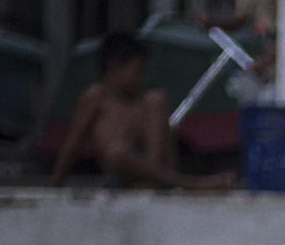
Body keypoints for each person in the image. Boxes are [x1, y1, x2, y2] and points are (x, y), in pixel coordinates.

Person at [49, 32, 225, 192]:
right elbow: (73, 142)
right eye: (137, 70)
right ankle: (191, 184)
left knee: (156, 99)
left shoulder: (143, 101)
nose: (141, 78)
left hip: (154, 170)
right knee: (117, 152)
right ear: (114, 67)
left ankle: (160, 181)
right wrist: (55, 185)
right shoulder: (96, 96)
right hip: (121, 173)